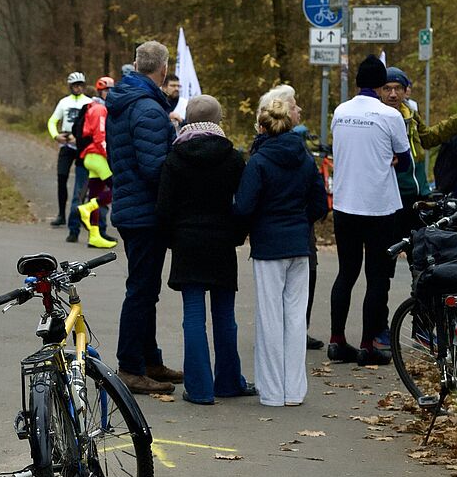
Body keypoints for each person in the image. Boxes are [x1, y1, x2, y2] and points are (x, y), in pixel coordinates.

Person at [156, 94, 254, 403]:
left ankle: (199, 388)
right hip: (221, 240)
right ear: (218, 121)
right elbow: (244, 204)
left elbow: (164, 208)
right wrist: (237, 235)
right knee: (225, 315)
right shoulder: (233, 158)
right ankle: (229, 381)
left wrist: (173, 239)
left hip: (187, 241)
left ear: (187, 120)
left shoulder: (174, 158)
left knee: (193, 315)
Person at [234, 97, 330, 406]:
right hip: (299, 244)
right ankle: (294, 391)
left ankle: (273, 391)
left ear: (262, 128)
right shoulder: (305, 158)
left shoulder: (259, 162)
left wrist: (252, 226)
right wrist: (300, 222)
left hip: (268, 246)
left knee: (270, 318)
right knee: (296, 318)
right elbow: (319, 203)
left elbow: (244, 206)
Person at [106, 41, 183, 394]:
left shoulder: (125, 102)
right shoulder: (148, 109)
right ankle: (130, 367)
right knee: (141, 290)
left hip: (130, 204)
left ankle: (150, 360)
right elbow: (155, 168)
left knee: (146, 289)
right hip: (144, 212)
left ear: (136, 66)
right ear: (163, 70)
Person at [327, 56, 412, 365]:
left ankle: (337, 340)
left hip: (345, 204)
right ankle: (368, 344)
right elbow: (405, 161)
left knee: (346, 273)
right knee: (376, 277)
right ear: (380, 85)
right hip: (379, 207)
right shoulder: (390, 115)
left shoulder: (340, 111)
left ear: (357, 82)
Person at [256, 84, 324, 351]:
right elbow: (318, 198)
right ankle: (293, 334)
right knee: (297, 284)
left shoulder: (264, 153)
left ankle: (285, 337)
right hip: (297, 228)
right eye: (294, 106)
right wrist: (303, 218)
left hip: (277, 231)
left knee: (287, 288)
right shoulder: (296, 152)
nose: (299, 110)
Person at [383, 67, 457, 231]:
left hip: (419, 193)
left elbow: (429, 138)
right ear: (379, 91)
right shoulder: (377, 118)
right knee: (392, 244)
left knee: (420, 243)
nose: (393, 94)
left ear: (405, 91)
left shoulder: (411, 115)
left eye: (398, 88)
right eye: (387, 88)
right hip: (393, 196)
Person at [47, 72, 94, 239]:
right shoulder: (64, 102)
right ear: (70, 87)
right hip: (66, 143)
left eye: (80, 85)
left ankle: (82, 214)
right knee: (62, 177)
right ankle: (61, 214)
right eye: (75, 86)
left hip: (81, 144)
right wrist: (56, 135)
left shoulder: (89, 102)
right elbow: (52, 121)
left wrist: (80, 137)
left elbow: (92, 124)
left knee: (83, 181)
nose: (78, 88)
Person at [73, 76, 117, 249]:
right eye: (107, 90)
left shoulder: (94, 106)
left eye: (112, 90)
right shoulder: (99, 109)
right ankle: (87, 208)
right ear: (100, 92)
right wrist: (109, 156)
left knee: (95, 192)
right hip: (97, 156)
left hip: (91, 156)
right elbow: (100, 137)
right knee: (117, 188)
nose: (110, 93)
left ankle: (94, 236)